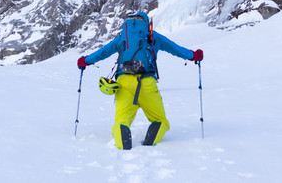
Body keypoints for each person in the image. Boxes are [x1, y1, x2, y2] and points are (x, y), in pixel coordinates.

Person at [77, 11, 203, 149]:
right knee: (160, 120)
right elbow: (175, 48)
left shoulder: (122, 37)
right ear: (146, 22)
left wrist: (85, 61)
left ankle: (123, 145)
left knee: (121, 121)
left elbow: (103, 52)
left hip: (124, 83)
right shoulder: (152, 36)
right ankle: (150, 142)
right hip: (147, 82)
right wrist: (193, 56)